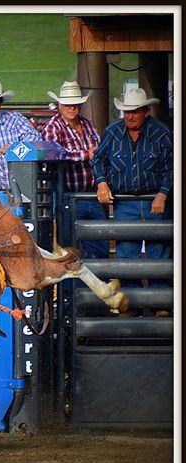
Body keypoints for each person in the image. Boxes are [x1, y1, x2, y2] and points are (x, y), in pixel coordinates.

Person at [91, 88, 173, 314]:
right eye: (126, 111)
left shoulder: (162, 133)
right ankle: (132, 305)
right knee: (127, 255)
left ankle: (161, 304)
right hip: (124, 202)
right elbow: (98, 160)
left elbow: (173, 166)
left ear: (146, 111)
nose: (129, 116)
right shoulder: (113, 132)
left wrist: (163, 193)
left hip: (155, 200)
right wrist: (101, 182)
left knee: (159, 253)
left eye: (134, 111)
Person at [42, 81, 109, 259]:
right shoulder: (52, 128)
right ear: (60, 105)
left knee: (100, 244)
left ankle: (99, 281)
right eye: (67, 104)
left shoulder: (89, 126)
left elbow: (101, 153)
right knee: (71, 247)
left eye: (75, 103)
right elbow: (56, 156)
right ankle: (75, 287)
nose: (72, 107)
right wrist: (87, 154)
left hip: (93, 194)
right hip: (68, 196)